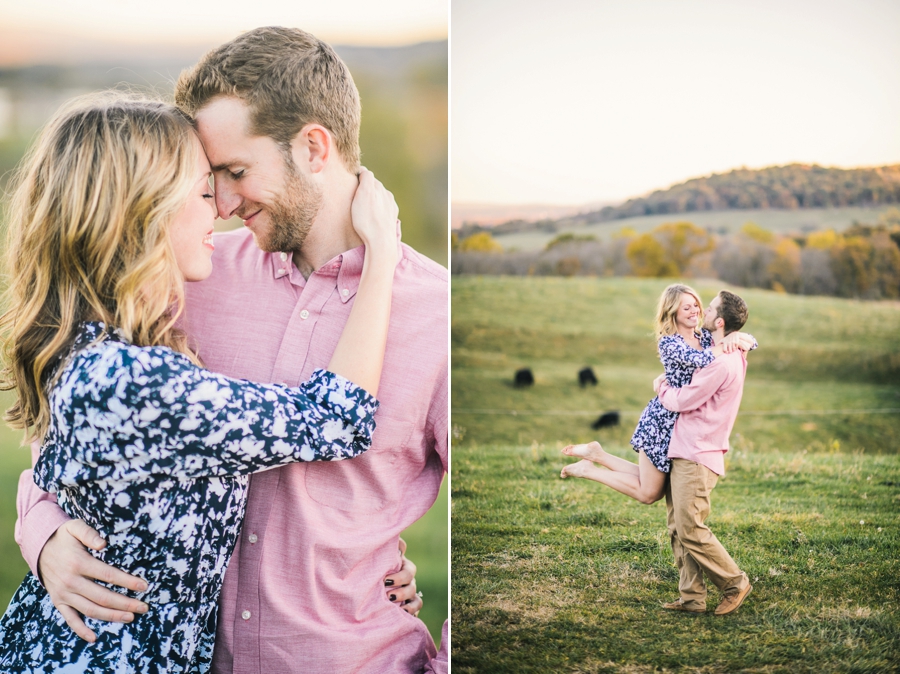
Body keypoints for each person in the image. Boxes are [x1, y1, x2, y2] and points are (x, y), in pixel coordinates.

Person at [16, 27, 449, 673]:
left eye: (235, 172)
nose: (219, 203)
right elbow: (73, 427)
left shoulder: (439, 314)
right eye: (207, 179)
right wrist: (43, 531)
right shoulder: (189, 275)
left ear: (313, 147)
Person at [560, 284, 754, 504]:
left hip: (683, 423)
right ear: (672, 313)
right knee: (650, 493)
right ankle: (589, 470)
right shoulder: (670, 342)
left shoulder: (704, 338)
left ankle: (598, 455)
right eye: (686, 308)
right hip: (662, 421)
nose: (695, 312)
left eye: (696, 306)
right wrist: (724, 345)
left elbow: (752, 341)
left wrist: (736, 337)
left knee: (655, 484)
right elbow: (699, 360)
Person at [654, 290, 754, 616]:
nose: (703, 311)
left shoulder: (721, 363)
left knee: (691, 528)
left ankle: (734, 583)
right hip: (686, 447)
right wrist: (743, 338)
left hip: (698, 452)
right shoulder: (729, 350)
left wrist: (660, 386)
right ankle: (692, 598)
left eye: (708, 308)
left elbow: (683, 400)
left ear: (720, 321)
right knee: (677, 526)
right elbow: (743, 339)